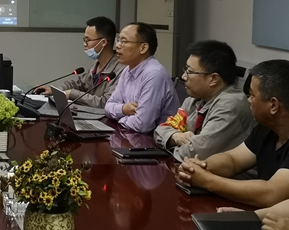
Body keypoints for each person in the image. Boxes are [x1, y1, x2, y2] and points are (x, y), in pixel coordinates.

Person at [178, 59, 289, 207]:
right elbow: (232, 160)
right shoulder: (266, 129)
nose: (248, 100)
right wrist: (200, 167)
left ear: (273, 105)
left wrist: (206, 181)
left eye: (252, 95)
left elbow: (271, 193)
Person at [154, 40, 255, 162]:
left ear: (213, 79)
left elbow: (195, 153)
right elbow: (160, 130)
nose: (184, 76)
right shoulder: (193, 100)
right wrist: (175, 136)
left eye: (190, 71)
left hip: (225, 174)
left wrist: (168, 144)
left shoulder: (229, 107)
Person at [104, 22, 179, 133]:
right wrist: (123, 109)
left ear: (143, 48)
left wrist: (120, 118)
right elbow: (108, 107)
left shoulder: (154, 75)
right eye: (118, 40)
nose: (117, 46)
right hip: (131, 134)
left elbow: (142, 125)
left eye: (124, 41)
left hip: (153, 140)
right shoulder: (127, 70)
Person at [34, 16, 125, 107]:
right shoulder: (96, 65)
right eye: (84, 40)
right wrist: (56, 90)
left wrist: (72, 94)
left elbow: (105, 103)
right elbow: (80, 85)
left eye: (88, 40)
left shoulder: (121, 70)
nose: (84, 44)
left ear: (103, 42)